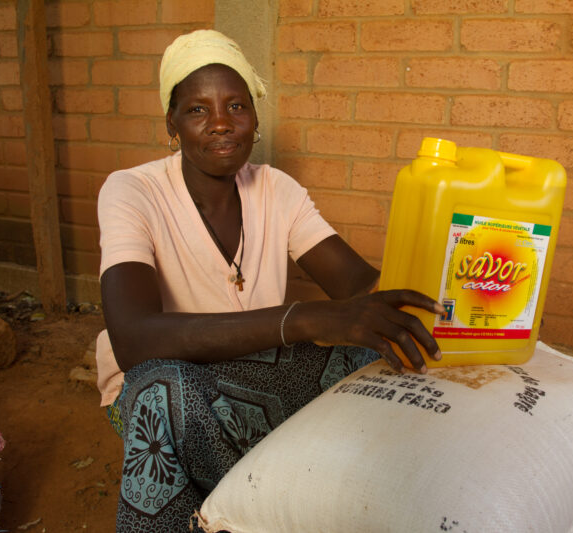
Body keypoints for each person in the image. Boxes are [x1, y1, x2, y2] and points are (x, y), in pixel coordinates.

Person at [95, 29, 443, 531]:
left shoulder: (276, 189)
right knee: (164, 390)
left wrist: (450, 285)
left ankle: (266, 496)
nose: (221, 124)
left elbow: (360, 288)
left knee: (382, 354)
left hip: (258, 372)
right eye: (197, 110)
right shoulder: (132, 191)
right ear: (171, 122)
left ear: (255, 118)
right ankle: (248, 503)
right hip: (158, 386)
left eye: (236, 106)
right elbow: (134, 340)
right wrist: (304, 318)